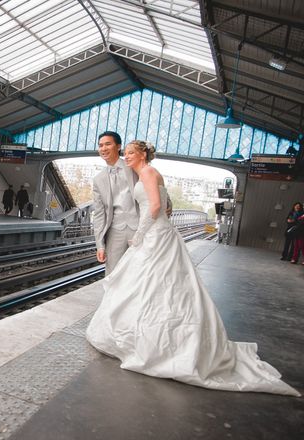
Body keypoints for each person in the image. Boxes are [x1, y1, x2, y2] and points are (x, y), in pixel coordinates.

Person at [86, 140, 299, 396]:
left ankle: (159, 341)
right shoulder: (142, 173)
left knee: (157, 284)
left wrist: (139, 235)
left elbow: (154, 207)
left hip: (154, 235)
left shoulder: (149, 173)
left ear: (143, 154)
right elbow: (159, 205)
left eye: (130, 152)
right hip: (156, 233)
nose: (126, 156)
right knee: (151, 285)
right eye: (126, 153)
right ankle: (144, 333)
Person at [92, 131, 172, 274]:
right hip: (115, 230)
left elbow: (157, 187)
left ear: (118, 147)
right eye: (100, 145)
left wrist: (167, 204)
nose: (103, 148)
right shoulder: (98, 180)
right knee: (113, 273)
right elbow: (98, 214)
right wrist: (100, 245)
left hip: (141, 227)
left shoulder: (134, 165)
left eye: (108, 144)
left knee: (141, 272)